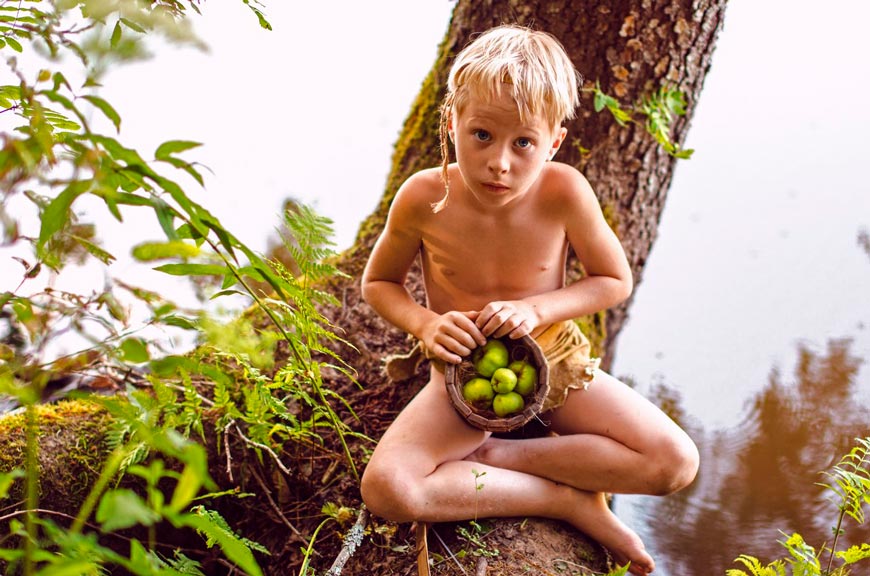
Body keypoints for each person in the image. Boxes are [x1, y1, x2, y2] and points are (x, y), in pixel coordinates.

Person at [359, 24, 698, 575]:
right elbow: (379, 284)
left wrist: (539, 310)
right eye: (482, 136)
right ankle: (561, 499)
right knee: (388, 489)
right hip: (463, 371)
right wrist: (424, 325)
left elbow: (613, 279)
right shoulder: (424, 197)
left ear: (553, 143)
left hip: (555, 358)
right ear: (451, 123)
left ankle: (494, 458)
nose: (500, 163)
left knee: (674, 462)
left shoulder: (564, 191)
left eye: (523, 144)